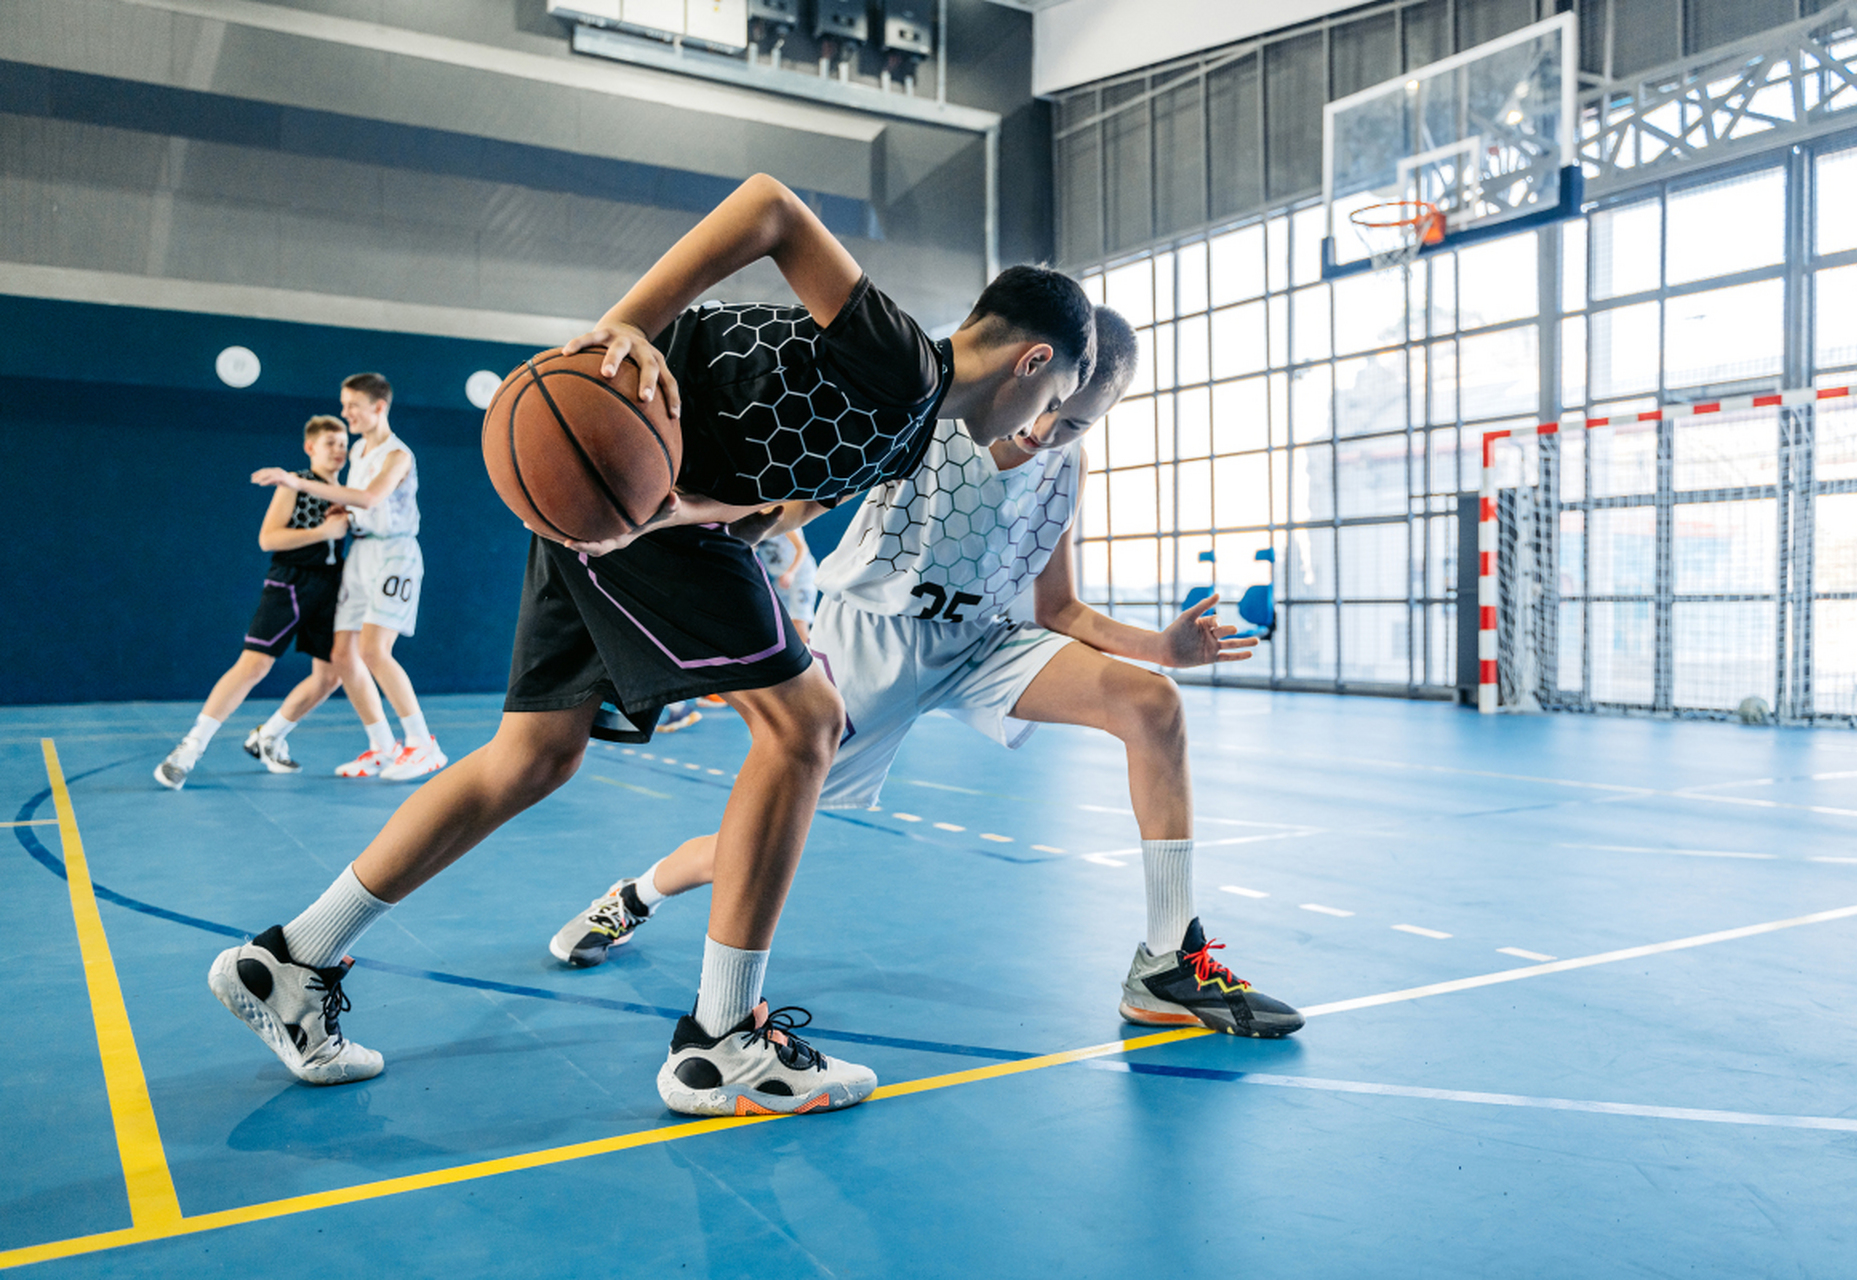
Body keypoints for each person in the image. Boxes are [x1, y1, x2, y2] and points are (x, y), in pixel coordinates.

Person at [207, 172, 1095, 1116]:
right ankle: (725, 1043)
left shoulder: (909, 432)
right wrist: (623, 322)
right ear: (1034, 360)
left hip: (631, 514)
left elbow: (770, 501)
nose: (1044, 428)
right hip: (612, 477)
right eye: (1060, 398)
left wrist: (687, 516)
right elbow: (771, 207)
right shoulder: (905, 363)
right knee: (805, 727)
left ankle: (292, 961)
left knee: (531, 757)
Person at [547, 308, 1303, 1040]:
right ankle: (634, 897)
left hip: (982, 641)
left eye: (1072, 424)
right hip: (873, 642)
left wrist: (1161, 651)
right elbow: (792, 505)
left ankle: (1168, 963)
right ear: (1035, 370)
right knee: (768, 837)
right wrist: (683, 516)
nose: (1045, 431)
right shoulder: (940, 418)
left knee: (1152, 704)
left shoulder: (1064, 464)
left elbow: (1060, 607)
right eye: (1052, 413)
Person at [252, 373, 444, 782]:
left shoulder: (398, 456)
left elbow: (372, 497)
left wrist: (296, 481)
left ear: (378, 407)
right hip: (361, 553)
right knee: (342, 655)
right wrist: (346, 515)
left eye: (352, 405)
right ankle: (381, 748)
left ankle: (423, 744)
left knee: (376, 649)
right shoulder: (357, 451)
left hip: (395, 555)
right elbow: (360, 506)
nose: (345, 413)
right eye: (344, 405)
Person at [156, 416, 364, 789]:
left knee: (331, 675)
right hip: (291, 582)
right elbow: (268, 539)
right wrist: (322, 531)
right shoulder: (295, 484)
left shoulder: (347, 492)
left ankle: (268, 736)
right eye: (331, 442)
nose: (339, 449)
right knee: (254, 665)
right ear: (311, 447)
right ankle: (189, 749)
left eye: (343, 442)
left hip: (332, 588)